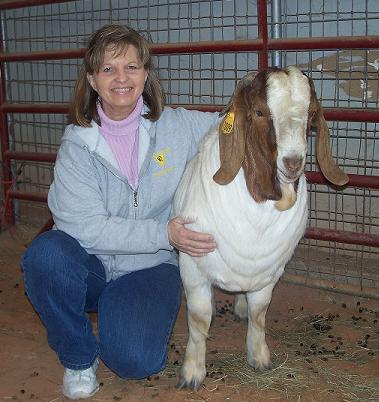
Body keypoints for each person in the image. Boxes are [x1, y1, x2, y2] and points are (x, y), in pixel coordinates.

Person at [21, 24, 219, 400]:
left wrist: (264, 99)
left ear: (146, 73)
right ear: (93, 80)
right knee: (45, 255)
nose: (122, 78)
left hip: (149, 267)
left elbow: (228, 126)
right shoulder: (78, 146)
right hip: (91, 265)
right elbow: (86, 229)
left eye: (131, 67)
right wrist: (165, 234)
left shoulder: (177, 127)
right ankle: (79, 356)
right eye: (109, 69)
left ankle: (123, 313)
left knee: (135, 362)